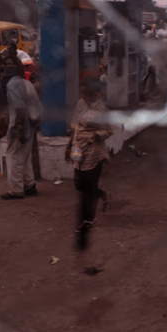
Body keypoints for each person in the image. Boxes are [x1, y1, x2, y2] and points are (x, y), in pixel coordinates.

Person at [65, 78, 113, 251]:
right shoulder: (81, 104)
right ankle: (102, 194)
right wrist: (69, 145)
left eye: (86, 91)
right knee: (79, 183)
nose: (83, 95)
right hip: (80, 150)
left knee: (88, 186)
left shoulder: (101, 108)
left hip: (95, 152)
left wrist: (97, 135)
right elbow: (75, 127)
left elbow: (109, 129)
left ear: (93, 92)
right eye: (82, 92)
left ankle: (88, 220)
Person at [1, 65, 43, 200]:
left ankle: (16, 190)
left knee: (14, 157)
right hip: (30, 126)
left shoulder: (12, 84)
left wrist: (19, 128)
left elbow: (19, 107)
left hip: (20, 126)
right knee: (25, 158)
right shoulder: (27, 83)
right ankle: (30, 186)